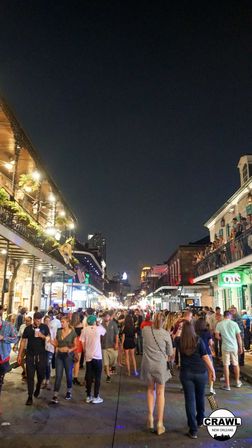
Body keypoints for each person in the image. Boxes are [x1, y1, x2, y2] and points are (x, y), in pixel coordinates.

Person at [179, 321, 216, 439]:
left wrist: (179, 329)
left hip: (186, 374)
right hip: (201, 373)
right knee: (200, 397)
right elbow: (205, 356)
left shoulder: (179, 341)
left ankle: (193, 430)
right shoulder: (198, 340)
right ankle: (200, 420)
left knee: (189, 401)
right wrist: (212, 371)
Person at [141, 312, 173, 435]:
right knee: (160, 393)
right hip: (160, 366)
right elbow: (170, 353)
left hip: (147, 364)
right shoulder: (166, 334)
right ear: (164, 322)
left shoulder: (145, 330)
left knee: (150, 390)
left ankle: (150, 418)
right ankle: (160, 423)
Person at [18, 311, 50, 405]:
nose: (38, 322)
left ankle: (39, 385)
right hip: (30, 355)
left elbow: (49, 339)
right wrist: (20, 355)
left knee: (41, 375)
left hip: (41, 355)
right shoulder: (28, 329)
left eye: (40, 320)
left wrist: (42, 336)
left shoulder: (44, 327)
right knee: (30, 377)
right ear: (34, 320)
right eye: (37, 320)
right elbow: (23, 341)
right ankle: (30, 396)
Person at [50, 316, 77, 404]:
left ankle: (69, 391)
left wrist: (69, 349)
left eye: (63, 322)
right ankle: (55, 395)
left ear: (68, 322)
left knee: (68, 374)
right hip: (59, 356)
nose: (61, 323)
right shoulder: (58, 331)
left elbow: (76, 345)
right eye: (61, 322)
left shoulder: (73, 332)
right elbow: (56, 343)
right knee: (58, 375)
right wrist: (52, 343)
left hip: (68, 356)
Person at [80, 314, 106, 404]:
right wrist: (99, 323)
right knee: (98, 377)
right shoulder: (98, 329)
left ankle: (88, 396)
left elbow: (82, 343)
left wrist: (86, 351)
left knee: (89, 376)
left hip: (88, 356)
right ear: (94, 321)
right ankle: (96, 396)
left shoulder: (84, 330)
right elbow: (104, 331)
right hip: (97, 356)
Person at [215, 310, 243, 390]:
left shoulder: (219, 324)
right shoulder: (234, 324)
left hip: (225, 347)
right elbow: (238, 337)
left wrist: (223, 339)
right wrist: (240, 347)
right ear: (230, 316)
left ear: (224, 316)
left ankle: (227, 385)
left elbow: (216, 336)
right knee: (235, 364)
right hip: (234, 347)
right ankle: (237, 382)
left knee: (226, 365)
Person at [0, 305, 18, 418]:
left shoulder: (8, 325)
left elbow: (16, 338)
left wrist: (4, 338)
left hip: (3, 359)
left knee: (0, 383)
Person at [194, 318, 215, 394]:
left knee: (197, 371)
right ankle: (211, 388)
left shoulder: (194, 332)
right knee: (210, 370)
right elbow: (210, 343)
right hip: (207, 353)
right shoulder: (207, 332)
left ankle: (197, 387)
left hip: (197, 354)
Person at [101, 311, 119, 383]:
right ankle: (108, 376)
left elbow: (116, 334)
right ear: (103, 317)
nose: (106, 318)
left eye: (108, 316)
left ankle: (112, 366)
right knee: (106, 363)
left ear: (109, 317)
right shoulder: (101, 325)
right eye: (105, 316)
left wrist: (117, 343)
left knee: (114, 358)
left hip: (112, 345)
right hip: (104, 346)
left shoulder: (113, 324)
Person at [42, 315, 56, 390]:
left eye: (48, 321)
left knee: (47, 364)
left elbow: (54, 339)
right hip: (42, 349)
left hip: (50, 349)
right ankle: (43, 380)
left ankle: (47, 380)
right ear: (44, 321)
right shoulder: (41, 329)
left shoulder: (52, 329)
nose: (47, 322)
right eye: (46, 321)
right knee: (43, 365)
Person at [70, 311, 83, 385]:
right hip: (78, 344)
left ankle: (70, 376)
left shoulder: (70, 325)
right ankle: (75, 378)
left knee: (70, 361)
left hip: (70, 343)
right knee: (77, 362)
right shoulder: (81, 325)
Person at [18, 315, 32, 380]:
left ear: (31, 321)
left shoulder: (33, 328)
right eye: (25, 321)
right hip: (22, 347)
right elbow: (19, 336)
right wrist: (15, 345)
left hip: (30, 347)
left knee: (28, 362)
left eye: (28, 321)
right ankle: (25, 370)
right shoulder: (22, 326)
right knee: (19, 361)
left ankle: (26, 374)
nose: (27, 322)